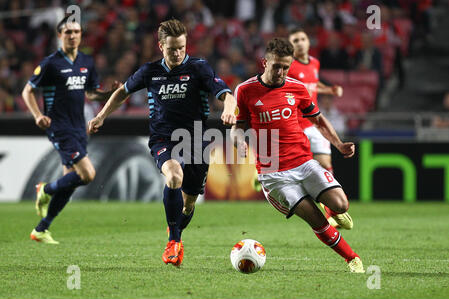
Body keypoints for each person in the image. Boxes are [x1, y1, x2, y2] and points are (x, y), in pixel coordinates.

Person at [88, 19, 237, 267]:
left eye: (181, 47)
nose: (177, 53)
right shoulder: (149, 71)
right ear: (161, 46)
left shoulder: (199, 68)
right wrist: (101, 115)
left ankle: (175, 230)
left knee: (188, 205)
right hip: (163, 138)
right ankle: (174, 242)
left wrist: (229, 110)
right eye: (171, 49)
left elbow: (226, 95)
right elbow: (122, 92)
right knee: (173, 176)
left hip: (196, 139)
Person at [231, 38, 364, 273]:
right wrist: (239, 142)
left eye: (286, 67)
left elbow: (318, 120)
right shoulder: (245, 90)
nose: (281, 72)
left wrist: (339, 144)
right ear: (265, 62)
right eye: (276, 66)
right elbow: (237, 127)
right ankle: (352, 259)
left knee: (341, 204)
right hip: (274, 174)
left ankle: (333, 210)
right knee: (316, 219)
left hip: (304, 162)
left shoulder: (297, 88)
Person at [22, 17, 121, 244]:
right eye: (68, 32)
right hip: (58, 126)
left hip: (78, 127)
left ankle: (41, 229)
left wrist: (108, 94)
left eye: (76, 31)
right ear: (60, 36)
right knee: (87, 174)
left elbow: (91, 93)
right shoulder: (50, 63)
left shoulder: (86, 61)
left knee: (72, 181)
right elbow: (27, 91)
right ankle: (45, 189)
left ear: (81, 35)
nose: (73, 36)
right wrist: (38, 115)